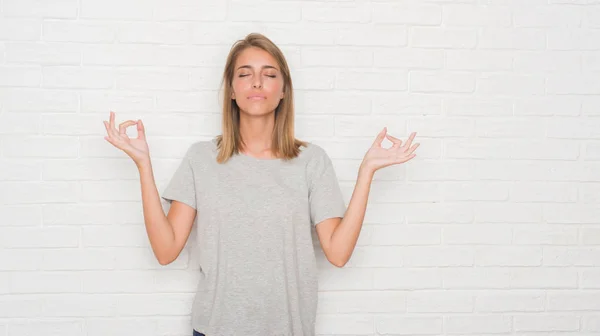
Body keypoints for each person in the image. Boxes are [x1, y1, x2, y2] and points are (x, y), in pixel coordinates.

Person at [103, 33, 419, 336]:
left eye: (269, 74)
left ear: (283, 90)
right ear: (231, 89)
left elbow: (337, 253)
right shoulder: (201, 159)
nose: (256, 82)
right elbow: (165, 249)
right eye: (245, 74)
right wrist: (143, 164)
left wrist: (366, 172)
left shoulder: (312, 161)